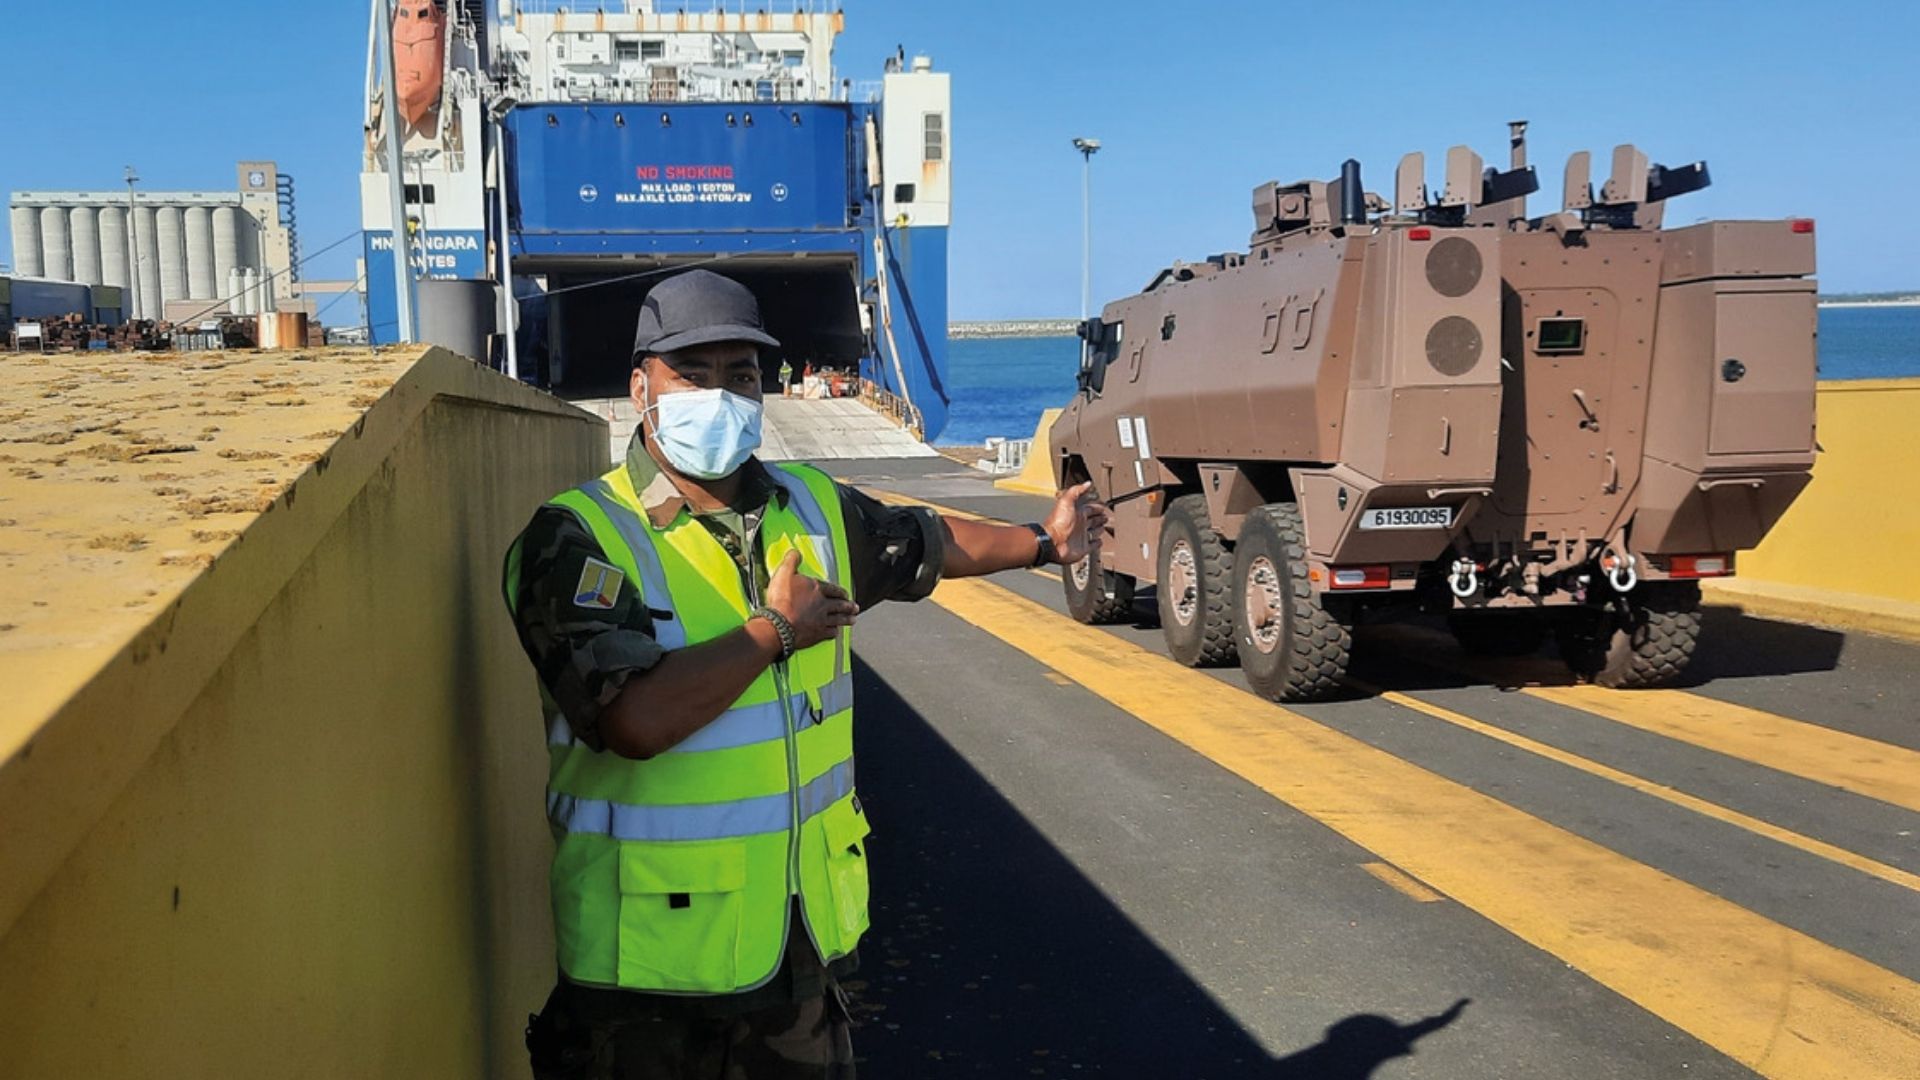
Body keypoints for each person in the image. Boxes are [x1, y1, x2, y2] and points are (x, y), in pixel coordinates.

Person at [504, 269, 1109, 1080]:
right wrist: (773, 631)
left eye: (742, 376)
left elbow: (922, 543)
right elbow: (632, 721)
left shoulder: (811, 506)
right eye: (695, 373)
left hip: (795, 954)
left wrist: (1044, 541)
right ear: (640, 388)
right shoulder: (577, 540)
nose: (721, 395)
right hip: (645, 980)